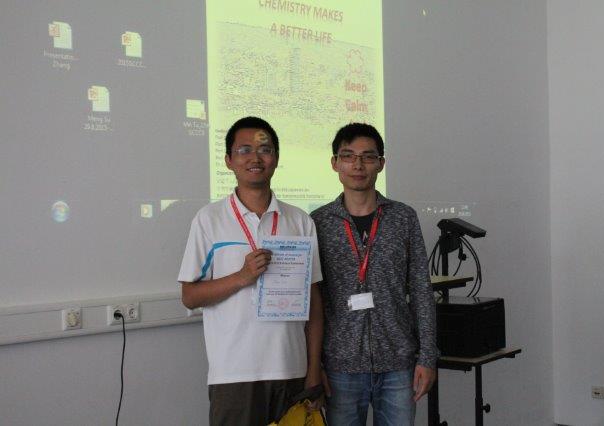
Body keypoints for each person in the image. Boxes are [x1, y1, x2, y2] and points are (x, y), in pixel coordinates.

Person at [178, 116, 323, 426]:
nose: (255, 158)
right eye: (244, 150)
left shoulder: (300, 221)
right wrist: (242, 277)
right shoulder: (209, 219)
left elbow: (313, 304)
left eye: (265, 150)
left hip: (291, 369)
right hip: (234, 374)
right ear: (228, 160)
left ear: (276, 158)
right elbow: (189, 296)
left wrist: (313, 371)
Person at [311, 122, 438, 425]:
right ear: (335, 163)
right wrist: (314, 366)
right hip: (340, 366)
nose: (358, 165)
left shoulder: (403, 218)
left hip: (398, 364)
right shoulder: (317, 223)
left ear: (381, 163)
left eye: (368, 157)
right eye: (348, 156)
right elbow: (311, 301)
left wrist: (427, 357)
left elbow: (421, 290)